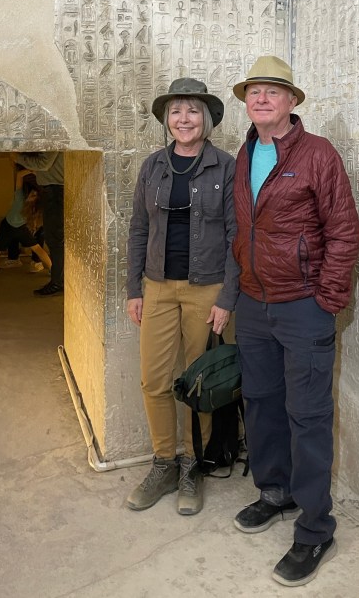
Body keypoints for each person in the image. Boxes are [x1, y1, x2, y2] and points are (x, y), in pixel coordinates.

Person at [230, 56, 359, 588]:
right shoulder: (244, 153)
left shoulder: (317, 154)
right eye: (254, 91)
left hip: (302, 305)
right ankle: (276, 492)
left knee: (307, 415)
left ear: (291, 101)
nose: (262, 99)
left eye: (273, 91)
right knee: (261, 403)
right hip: (252, 304)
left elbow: (344, 232)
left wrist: (325, 300)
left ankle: (315, 529)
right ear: (246, 102)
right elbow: (241, 229)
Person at [126, 78, 239, 517]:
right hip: (157, 287)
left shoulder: (225, 167)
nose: (184, 119)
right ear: (167, 120)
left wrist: (227, 296)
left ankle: (193, 463)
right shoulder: (152, 166)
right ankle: (163, 462)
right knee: (153, 380)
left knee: (199, 382)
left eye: (193, 111)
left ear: (205, 119)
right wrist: (134, 288)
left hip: (206, 289)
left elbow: (235, 236)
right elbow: (139, 229)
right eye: (176, 111)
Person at [0, 167, 51, 291]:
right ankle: (54, 271)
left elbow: (19, 175)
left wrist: (31, 170)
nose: (32, 194)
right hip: (22, 228)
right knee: (37, 249)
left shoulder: (20, 198)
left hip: (8, 226)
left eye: (32, 194)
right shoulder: (35, 208)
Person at [10, 151, 64, 296]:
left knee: (55, 239)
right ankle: (58, 280)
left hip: (55, 190)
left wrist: (17, 158)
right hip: (52, 189)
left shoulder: (53, 140)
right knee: (54, 239)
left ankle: (58, 282)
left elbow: (44, 164)